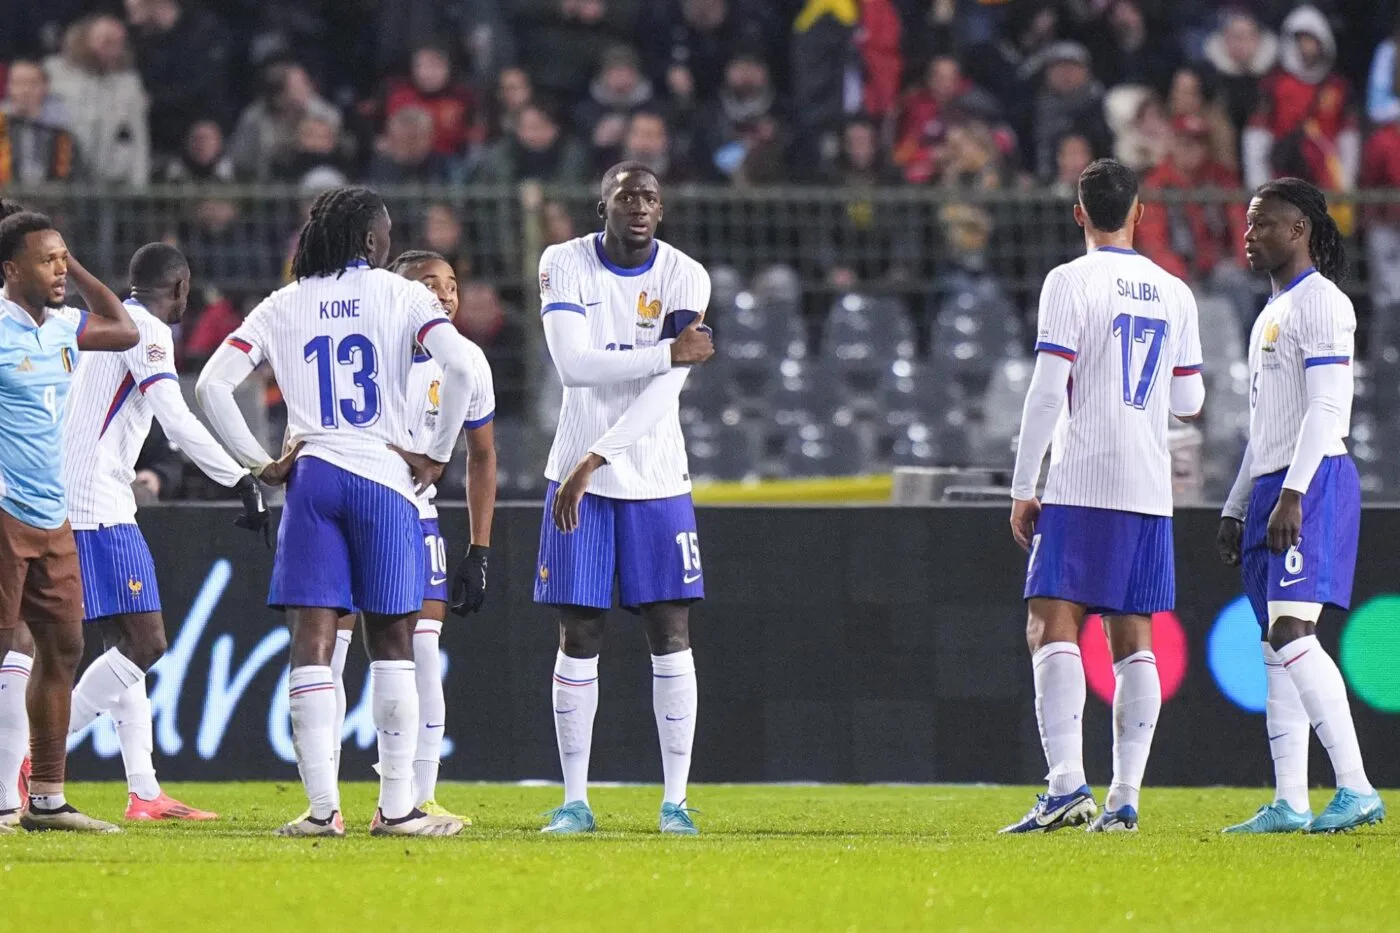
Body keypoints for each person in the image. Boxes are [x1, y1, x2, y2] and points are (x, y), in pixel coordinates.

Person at [195, 186, 485, 838]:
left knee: (312, 644)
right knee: (392, 645)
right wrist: (435, 454)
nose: (387, 240)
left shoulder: (282, 304)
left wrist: (258, 461)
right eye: (383, 232)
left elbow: (212, 384)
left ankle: (323, 811)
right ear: (370, 241)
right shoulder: (401, 294)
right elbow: (461, 367)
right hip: (385, 479)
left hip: (312, 480)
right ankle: (399, 807)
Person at [1005, 159, 1204, 834]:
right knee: (1133, 635)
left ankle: (1065, 786)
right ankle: (1124, 800)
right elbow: (1191, 398)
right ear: (1140, 212)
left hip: (1082, 475)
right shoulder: (1174, 291)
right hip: (1147, 486)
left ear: (1079, 213)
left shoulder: (1069, 281)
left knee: (1050, 620)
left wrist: (1024, 484)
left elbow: (1044, 389)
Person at [534, 162, 715, 835]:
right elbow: (573, 365)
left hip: (655, 476)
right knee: (578, 631)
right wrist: (667, 351)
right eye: (625, 195)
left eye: (649, 197)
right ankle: (575, 799)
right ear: (602, 202)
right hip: (574, 472)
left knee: (670, 632)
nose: (638, 206)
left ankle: (675, 800)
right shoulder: (564, 263)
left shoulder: (686, 275)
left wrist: (599, 455)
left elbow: (667, 389)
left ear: (661, 210)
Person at [61, 243, 268, 822]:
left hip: (78, 494)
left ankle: (144, 790)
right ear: (179, 288)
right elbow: (175, 417)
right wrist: (240, 478)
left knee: (121, 644)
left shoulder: (103, 325)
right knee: (147, 642)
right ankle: (38, 754)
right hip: (97, 502)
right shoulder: (148, 331)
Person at [1217, 178, 1384, 835]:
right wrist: (1238, 505)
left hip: (1310, 482)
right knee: (1271, 643)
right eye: (1249, 223)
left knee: (1293, 632)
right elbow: (1268, 426)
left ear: (1300, 230)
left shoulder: (1324, 304)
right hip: (1272, 483)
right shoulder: (1272, 311)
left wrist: (1291, 493)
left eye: (1263, 224)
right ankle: (1290, 801)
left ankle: (1357, 787)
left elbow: (1326, 408)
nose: (1249, 235)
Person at [326, 249, 496, 823]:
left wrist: (479, 547)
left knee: (422, 650)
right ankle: (324, 803)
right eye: (429, 284)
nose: (445, 295)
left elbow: (482, 456)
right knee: (330, 651)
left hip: (416, 518)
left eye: (452, 283)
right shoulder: (366, 350)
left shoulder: (467, 360)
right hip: (351, 509)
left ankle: (416, 797)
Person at [0, 209, 140, 834]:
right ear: (9, 270)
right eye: (47, 260)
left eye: (64, 258)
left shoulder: (62, 327)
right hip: (3, 509)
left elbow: (126, 329)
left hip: (52, 514)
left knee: (64, 645)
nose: (60, 269)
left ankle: (47, 800)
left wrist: (70, 264)